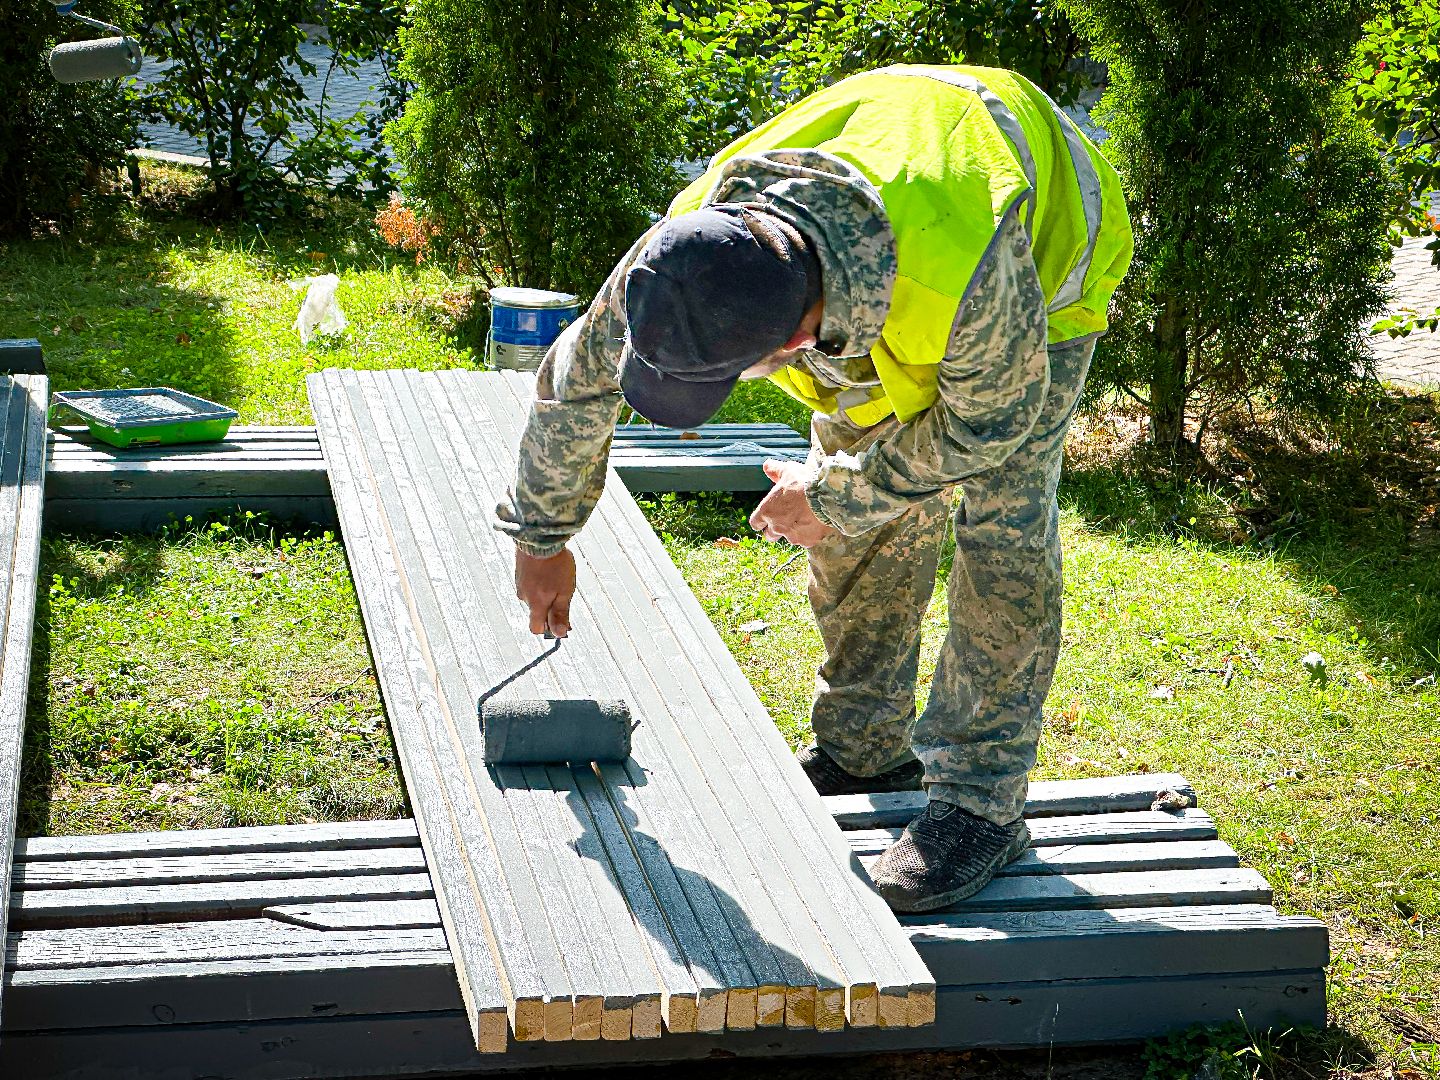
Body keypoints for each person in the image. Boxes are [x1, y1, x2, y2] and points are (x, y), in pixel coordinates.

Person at [496, 64, 1133, 913]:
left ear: (798, 338)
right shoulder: (693, 249)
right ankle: (865, 746)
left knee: (1000, 529)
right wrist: (543, 536)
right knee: (861, 513)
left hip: (1036, 268)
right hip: (884, 248)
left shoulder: (967, 271)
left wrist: (831, 494)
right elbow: (579, 376)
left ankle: (982, 803)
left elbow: (987, 428)